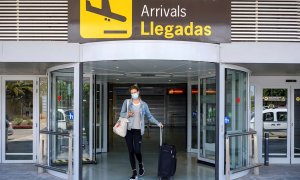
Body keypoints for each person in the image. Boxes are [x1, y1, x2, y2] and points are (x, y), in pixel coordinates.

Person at [120, 84, 164, 180]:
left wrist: (158, 123)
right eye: (131, 93)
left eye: (134, 92)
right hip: (128, 130)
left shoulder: (144, 105)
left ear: (138, 92)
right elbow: (121, 114)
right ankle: (134, 173)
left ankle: (140, 164)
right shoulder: (127, 102)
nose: (133, 94)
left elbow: (149, 116)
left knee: (137, 150)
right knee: (131, 151)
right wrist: (128, 114)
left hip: (138, 130)